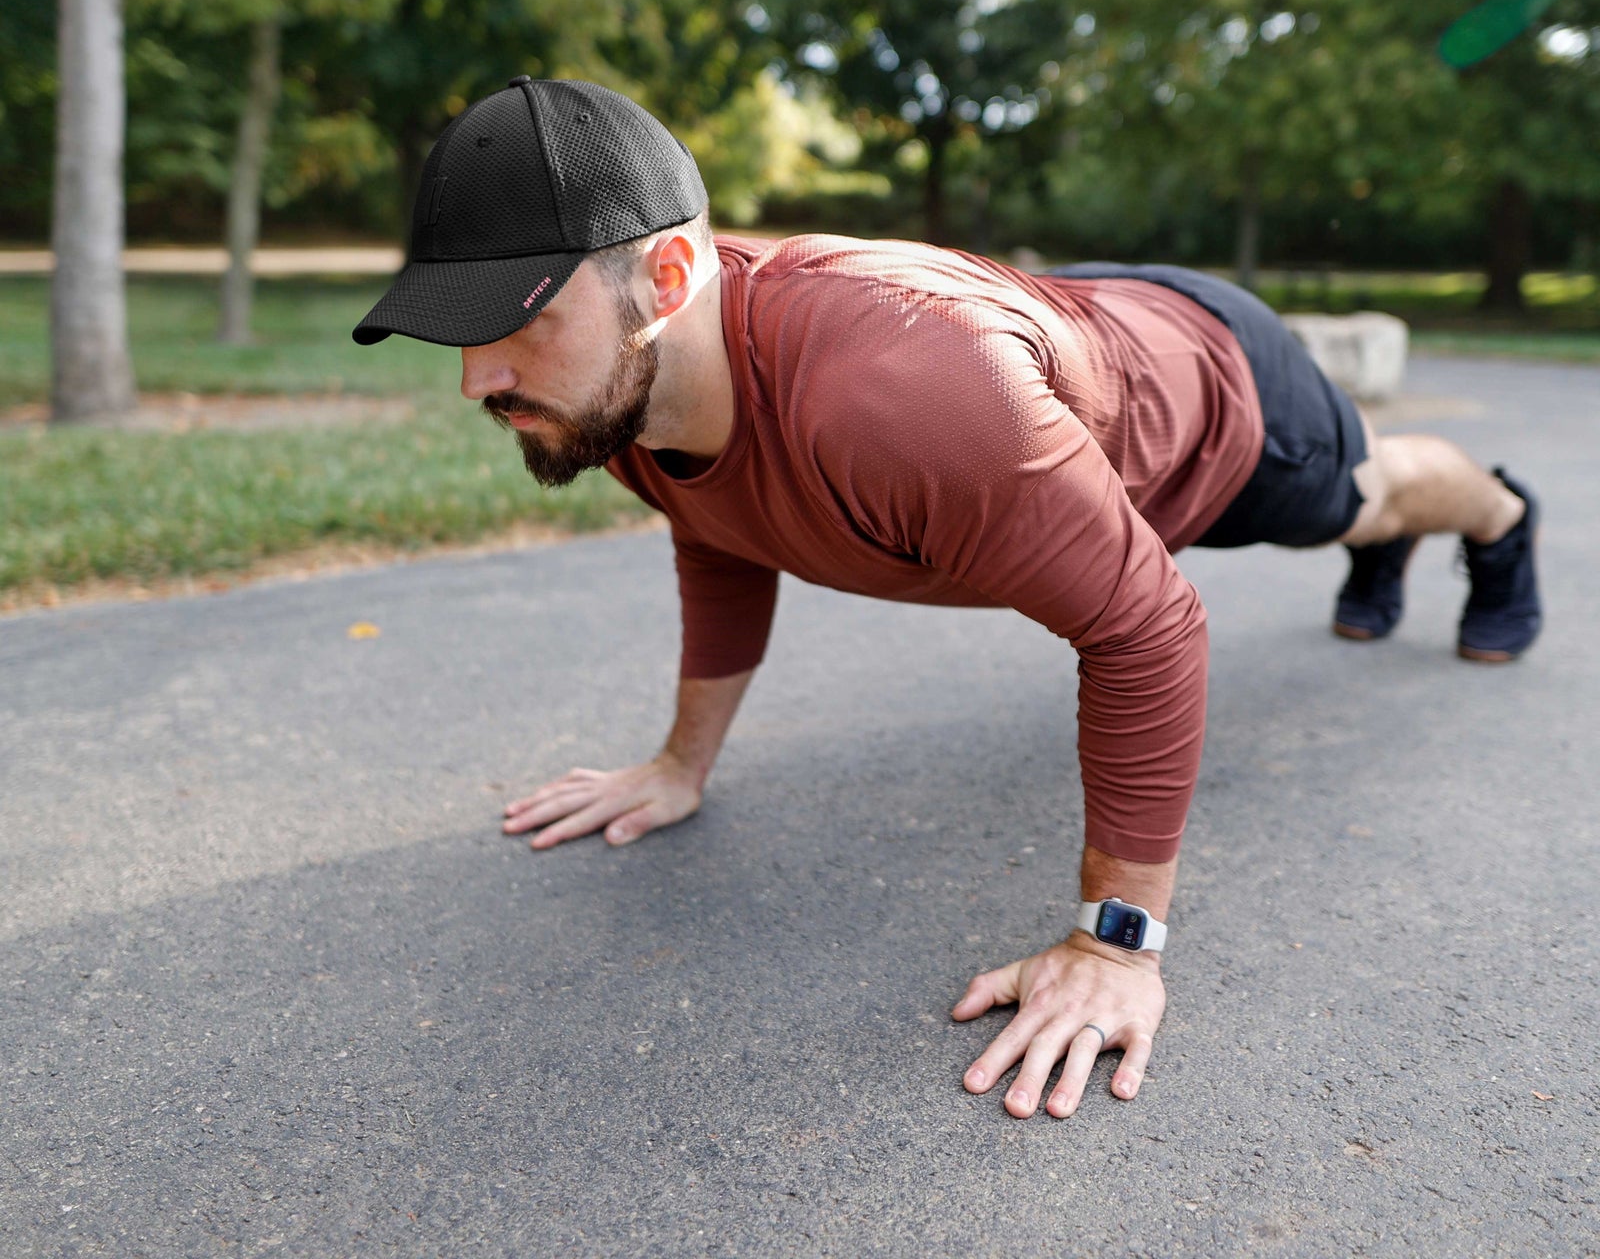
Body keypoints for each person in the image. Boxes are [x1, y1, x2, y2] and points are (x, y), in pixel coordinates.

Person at [353, 78, 1543, 1122]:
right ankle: (1394, 547)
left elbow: (1146, 627)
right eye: (455, 329)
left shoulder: (905, 397)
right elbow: (721, 530)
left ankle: (1497, 517)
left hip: (1210, 398)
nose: (475, 379)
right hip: (1061, 347)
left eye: (515, 321)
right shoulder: (619, 392)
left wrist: (1116, 943)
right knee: (1332, 516)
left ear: (666, 277)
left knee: (1365, 498)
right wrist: (679, 764)